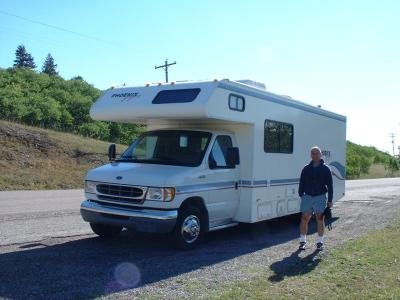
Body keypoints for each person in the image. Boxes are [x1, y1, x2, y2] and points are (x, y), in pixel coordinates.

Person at [298, 146, 333, 251]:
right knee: (304, 218)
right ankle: (302, 241)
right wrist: (301, 194)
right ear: (310, 155)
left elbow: (330, 186)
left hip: (320, 196)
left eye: (317, 153)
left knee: (319, 218)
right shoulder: (306, 168)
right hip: (307, 196)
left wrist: (330, 200)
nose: (315, 155)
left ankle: (319, 242)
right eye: (313, 153)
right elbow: (302, 182)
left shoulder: (326, 169)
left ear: (321, 155)